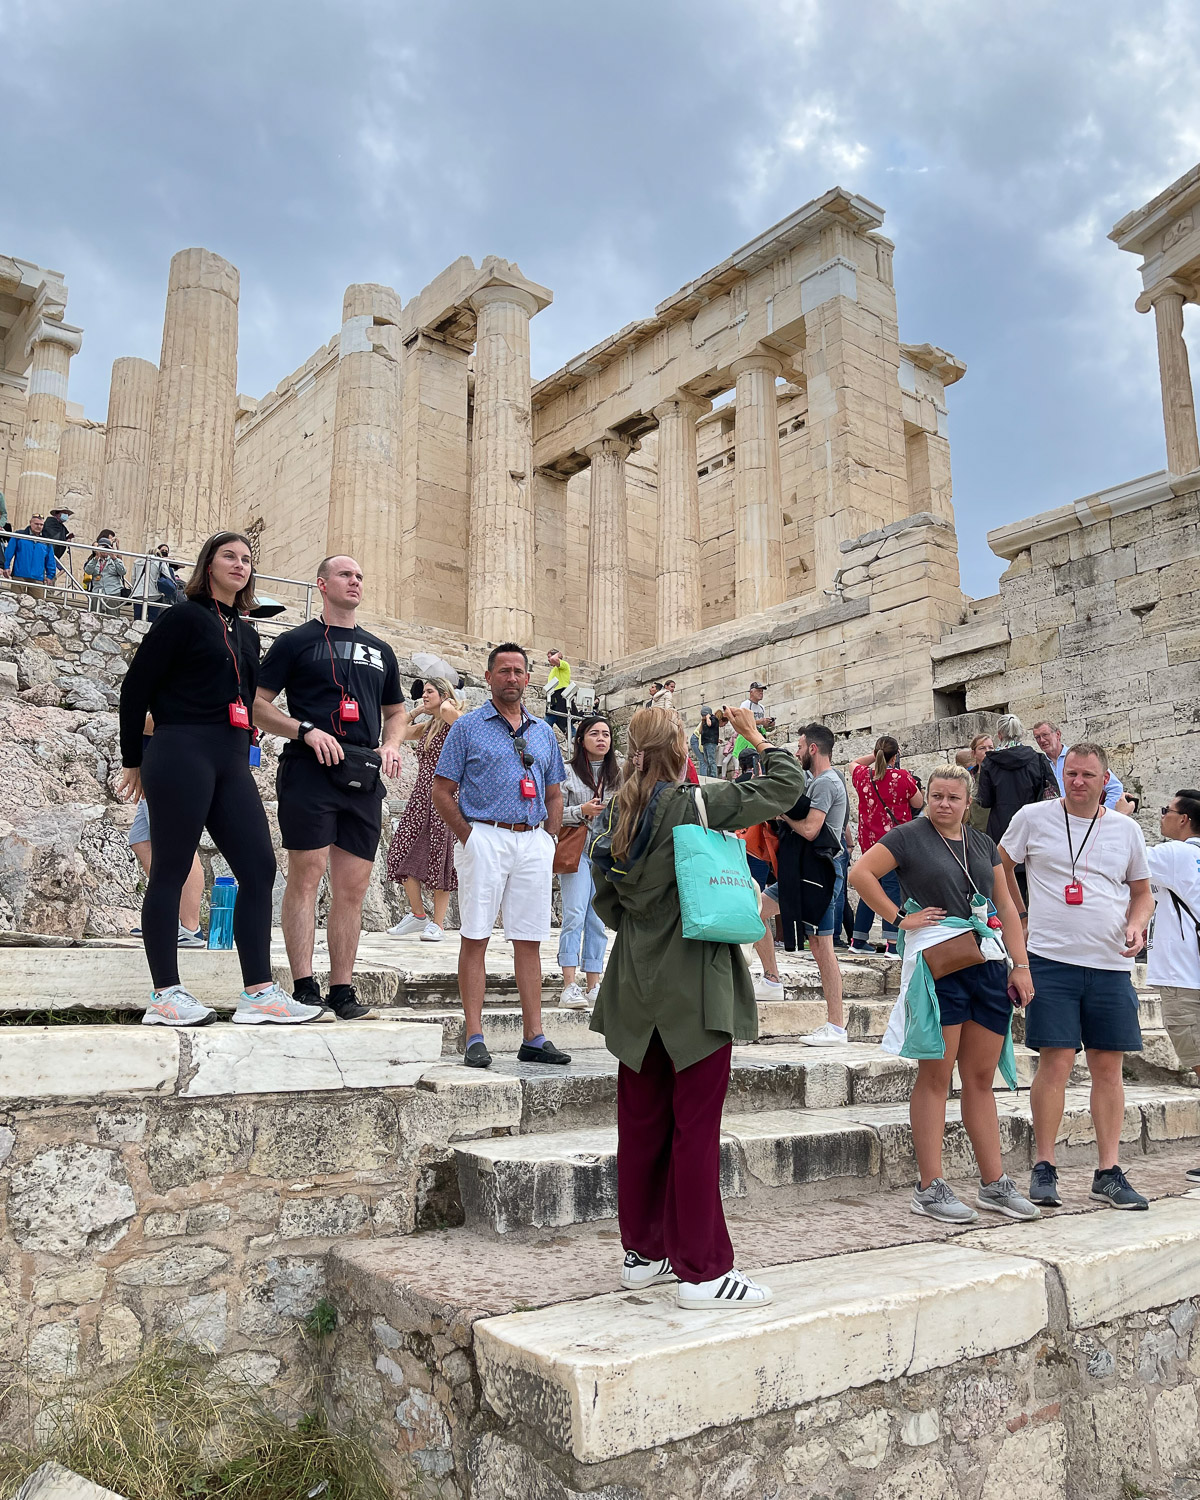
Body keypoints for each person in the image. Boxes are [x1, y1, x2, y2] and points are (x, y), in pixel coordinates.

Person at [589, 704, 803, 1309]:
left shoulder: (615, 813)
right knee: (696, 1129)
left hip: (635, 981)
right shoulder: (697, 802)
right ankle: (703, 1271)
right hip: (694, 983)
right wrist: (754, 735)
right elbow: (787, 786)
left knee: (643, 1123)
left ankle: (644, 1252)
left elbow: (608, 905)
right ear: (682, 749)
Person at [116, 531, 317, 1027]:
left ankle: (259, 993)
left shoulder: (247, 633)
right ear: (208, 564)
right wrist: (133, 760)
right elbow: (135, 688)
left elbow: (249, 704)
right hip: (181, 748)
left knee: (259, 867)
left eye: (247, 559)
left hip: (231, 757)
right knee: (171, 867)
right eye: (229, 555)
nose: (240, 564)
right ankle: (165, 994)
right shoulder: (182, 618)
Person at [850, 764, 1040, 1223]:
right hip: (940, 961)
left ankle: (994, 1183)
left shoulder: (981, 843)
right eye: (936, 795)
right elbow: (861, 873)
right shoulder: (909, 836)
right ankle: (929, 1186)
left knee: (980, 1077)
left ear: (968, 801)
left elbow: (1005, 906)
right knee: (936, 1076)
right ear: (927, 796)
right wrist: (899, 918)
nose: (944, 804)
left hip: (985, 961)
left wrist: (1021, 965)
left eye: (953, 797)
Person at [1000, 743, 1154, 1211]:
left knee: (1109, 1068)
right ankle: (1044, 1166)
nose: (1078, 782)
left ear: (1105, 780)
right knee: (1056, 1062)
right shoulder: (1033, 817)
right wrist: (1018, 915)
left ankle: (1108, 1171)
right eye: (1071, 773)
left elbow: (1142, 893)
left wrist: (1137, 924)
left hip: (1110, 963)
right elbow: (1000, 865)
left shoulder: (1126, 829)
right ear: (1060, 775)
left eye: (1087, 775)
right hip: (1050, 959)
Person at [254, 555, 405, 1021]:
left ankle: (342, 989)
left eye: (359, 576)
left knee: (353, 886)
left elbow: (396, 711)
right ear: (322, 584)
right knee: (307, 873)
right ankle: (304, 987)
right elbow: (256, 704)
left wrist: (391, 744)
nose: (355, 581)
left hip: (362, 773)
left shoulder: (380, 649)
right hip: (310, 767)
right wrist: (304, 730)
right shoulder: (295, 642)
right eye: (345, 574)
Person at [431, 643, 569, 1069]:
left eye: (518, 671)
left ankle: (534, 1036)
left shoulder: (543, 732)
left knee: (530, 938)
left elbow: (554, 792)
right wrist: (469, 837)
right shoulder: (467, 727)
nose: (512, 678)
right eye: (504, 671)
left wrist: (550, 838)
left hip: (532, 839)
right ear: (489, 677)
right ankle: (474, 1035)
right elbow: (442, 790)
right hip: (485, 835)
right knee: (476, 934)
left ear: (528, 679)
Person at [758, 724, 850, 1045]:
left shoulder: (826, 782)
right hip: (800, 870)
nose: (796, 753)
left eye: (799, 747)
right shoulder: (815, 780)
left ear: (812, 748)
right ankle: (772, 980)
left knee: (821, 946)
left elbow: (811, 829)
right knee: (756, 911)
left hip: (820, 872)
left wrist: (783, 815)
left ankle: (836, 1026)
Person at [386, 677, 462, 942]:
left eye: (430, 692)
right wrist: (416, 711)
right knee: (399, 851)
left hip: (446, 796)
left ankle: (438, 924)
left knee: (441, 858)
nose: (424, 695)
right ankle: (418, 915)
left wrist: (447, 707)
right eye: (424, 692)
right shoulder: (427, 727)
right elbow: (394, 733)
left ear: (444, 694)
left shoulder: (451, 722)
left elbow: (466, 727)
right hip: (420, 797)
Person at [1144, 791, 1200, 1151]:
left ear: (1184, 820)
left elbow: (1123, 856)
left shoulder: (1176, 854)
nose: (1162, 815)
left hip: (1184, 978)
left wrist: (1117, 814)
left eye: (1167, 810)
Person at [557, 715, 620, 1010]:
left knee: (597, 918)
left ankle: (594, 984)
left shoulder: (618, 775)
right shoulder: (567, 772)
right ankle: (569, 984)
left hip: (605, 853)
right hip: (577, 851)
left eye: (606, 734)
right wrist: (580, 810)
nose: (601, 739)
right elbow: (552, 812)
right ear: (581, 739)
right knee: (574, 913)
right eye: (594, 734)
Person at [126, 713, 205, 946]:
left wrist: (130, 719)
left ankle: (190, 928)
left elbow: (163, 720)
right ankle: (167, 917)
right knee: (142, 841)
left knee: (181, 847)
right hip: (153, 768)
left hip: (172, 768)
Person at [848, 736, 924, 956]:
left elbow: (853, 762)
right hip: (894, 842)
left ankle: (858, 939)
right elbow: (918, 803)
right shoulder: (902, 777)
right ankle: (892, 941)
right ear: (895, 755)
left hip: (869, 842)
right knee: (892, 889)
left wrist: (876, 755)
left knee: (868, 889)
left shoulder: (862, 775)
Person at [1033, 720, 1126, 808]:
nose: (1042, 740)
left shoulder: (1080, 756)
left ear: (1058, 734)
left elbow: (1115, 788)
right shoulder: (1038, 765)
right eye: (1037, 737)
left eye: (1045, 735)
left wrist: (1103, 813)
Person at [2, 515, 56, 596]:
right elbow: (9, 552)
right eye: (36, 524)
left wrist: (50, 575)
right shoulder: (19, 535)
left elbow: (50, 559)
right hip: (20, 574)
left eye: (41, 525)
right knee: (15, 600)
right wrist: (6, 566)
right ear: (30, 523)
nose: (39, 526)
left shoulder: (46, 540)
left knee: (38, 601)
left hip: (37, 577)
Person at [130, 543, 182, 621]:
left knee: (137, 619)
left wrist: (134, 589)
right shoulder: (160, 561)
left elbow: (133, 578)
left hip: (138, 593)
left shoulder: (137, 561)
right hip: (154, 594)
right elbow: (167, 576)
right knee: (153, 620)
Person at [83, 531, 128, 614]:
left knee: (112, 617)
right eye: (102, 547)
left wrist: (114, 557)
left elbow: (123, 572)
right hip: (97, 592)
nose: (104, 550)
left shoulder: (114, 560)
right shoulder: (94, 560)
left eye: (106, 547)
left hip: (113, 593)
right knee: (94, 617)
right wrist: (96, 557)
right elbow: (88, 571)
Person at [545, 649, 571, 735]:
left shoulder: (564, 665)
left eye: (549, 657)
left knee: (566, 725)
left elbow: (553, 659)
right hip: (553, 699)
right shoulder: (553, 670)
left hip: (561, 697)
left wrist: (557, 654)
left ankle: (574, 738)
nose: (548, 659)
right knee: (546, 726)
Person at [697, 706, 721, 779]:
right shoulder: (705, 722)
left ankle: (713, 775)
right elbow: (700, 731)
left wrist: (708, 717)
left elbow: (709, 724)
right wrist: (702, 722)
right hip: (705, 742)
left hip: (711, 742)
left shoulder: (714, 719)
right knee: (707, 760)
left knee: (711, 760)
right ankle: (709, 775)